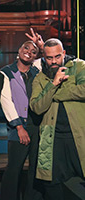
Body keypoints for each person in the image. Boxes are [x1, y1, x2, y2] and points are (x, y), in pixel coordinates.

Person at [30, 38, 85, 200]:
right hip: (52, 137)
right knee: (51, 182)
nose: (54, 61)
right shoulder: (40, 78)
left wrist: (57, 94)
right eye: (49, 58)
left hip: (79, 133)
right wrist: (53, 85)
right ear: (43, 57)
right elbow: (37, 107)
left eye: (57, 56)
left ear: (64, 54)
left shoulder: (79, 66)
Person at [0, 41, 43, 200]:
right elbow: (6, 102)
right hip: (18, 127)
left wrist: (42, 45)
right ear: (19, 49)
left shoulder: (37, 71)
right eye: (26, 48)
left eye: (33, 51)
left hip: (36, 125)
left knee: (35, 170)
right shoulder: (6, 72)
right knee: (13, 169)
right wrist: (19, 127)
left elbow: (51, 59)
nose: (29, 52)